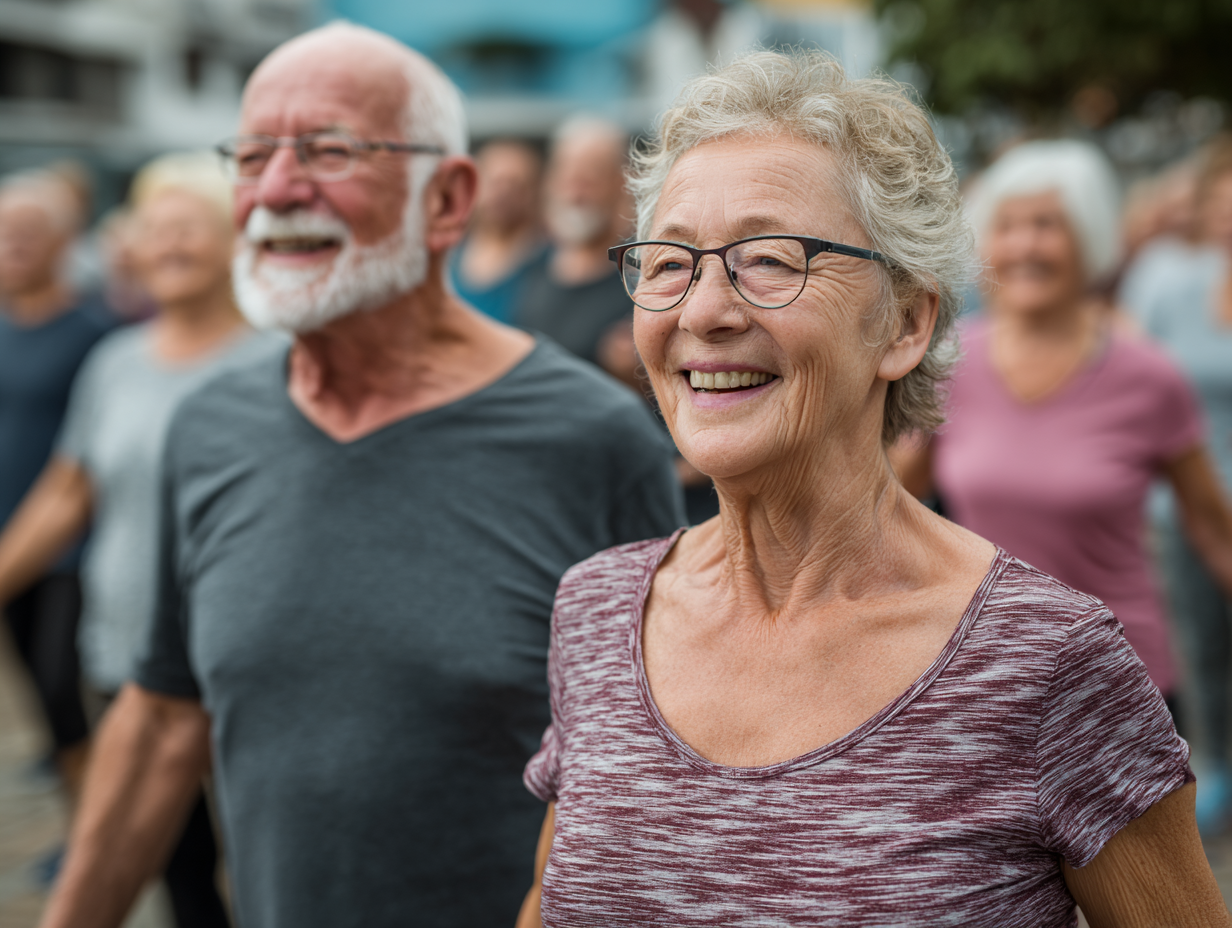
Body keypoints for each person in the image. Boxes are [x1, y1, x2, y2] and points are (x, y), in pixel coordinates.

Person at [517, 52, 1228, 928]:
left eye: (770, 259)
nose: (703, 310)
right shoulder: (596, 612)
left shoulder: (1047, 663)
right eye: (670, 262)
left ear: (906, 321)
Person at [40, 22, 683, 928]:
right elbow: (161, 718)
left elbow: (659, 777)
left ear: (447, 199)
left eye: (328, 150)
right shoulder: (210, 430)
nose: (276, 189)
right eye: (252, 154)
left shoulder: (593, 439)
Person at [0, 151, 261, 927]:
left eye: (190, 230)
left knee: (261, 859)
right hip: (126, 650)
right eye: (155, 231)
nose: (170, 246)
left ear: (233, 242)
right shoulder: (114, 362)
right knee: (175, 868)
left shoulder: (275, 362)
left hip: (243, 655)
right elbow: (66, 493)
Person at [895, 139, 1232, 716]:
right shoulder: (948, 365)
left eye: (1047, 224)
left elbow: (1214, 531)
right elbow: (891, 506)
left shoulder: (1149, 376)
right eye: (1009, 225)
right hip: (989, 683)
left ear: (1089, 237)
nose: (1026, 244)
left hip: (1122, 685)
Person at [1122, 135, 1232, 831]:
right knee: (1204, 644)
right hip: (1182, 507)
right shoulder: (1166, 276)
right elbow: (1126, 375)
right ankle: (1216, 770)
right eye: (1221, 199)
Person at [0, 170, 113, 803]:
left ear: (65, 241)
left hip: (70, 551)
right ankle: (80, 827)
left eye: (27, 231)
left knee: (62, 691)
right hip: (6, 538)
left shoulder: (94, 337)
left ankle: (95, 836)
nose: (11, 243)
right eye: (3, 230)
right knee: (42, 709)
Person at [514, 115, 634, 368]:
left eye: (590, 177)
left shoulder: (640, 276)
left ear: (621, 182)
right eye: (567, 174)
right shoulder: (528, 267)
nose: (576, 191)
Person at [449, 139, 546, 323]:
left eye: (516, 185)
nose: (503, 193)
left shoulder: (546, 265)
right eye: (495, 182)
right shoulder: (448, 256)